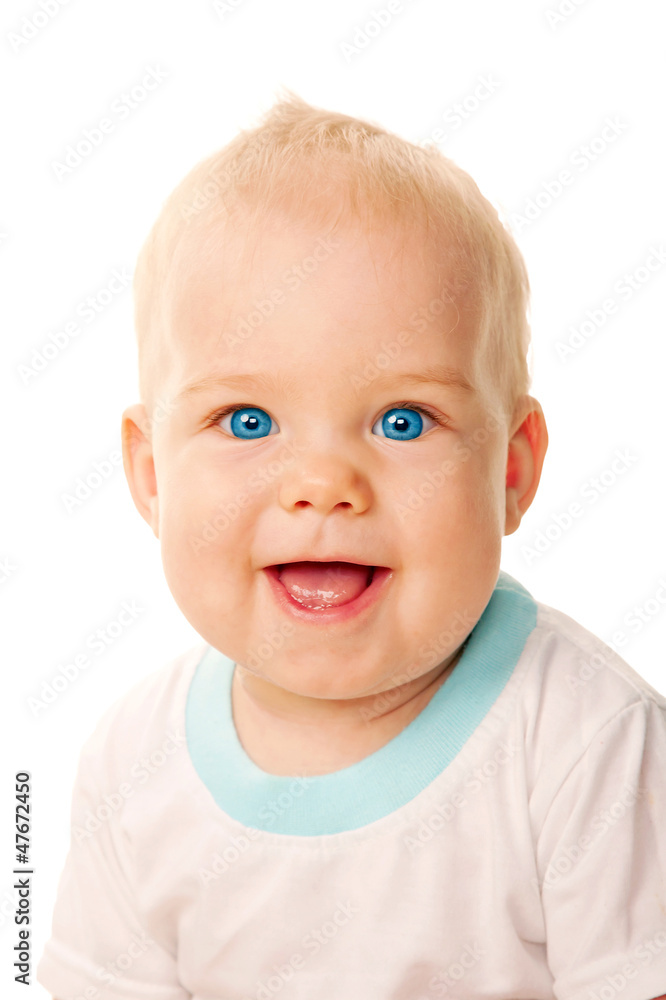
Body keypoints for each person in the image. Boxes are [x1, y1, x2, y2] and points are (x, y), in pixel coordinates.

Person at [38, 92, 666, 1000]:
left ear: (511, 472)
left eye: (403, 420)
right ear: (151, 474)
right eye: (246, 420)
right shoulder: (130, 760)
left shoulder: (583, 742)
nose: (324, 483)